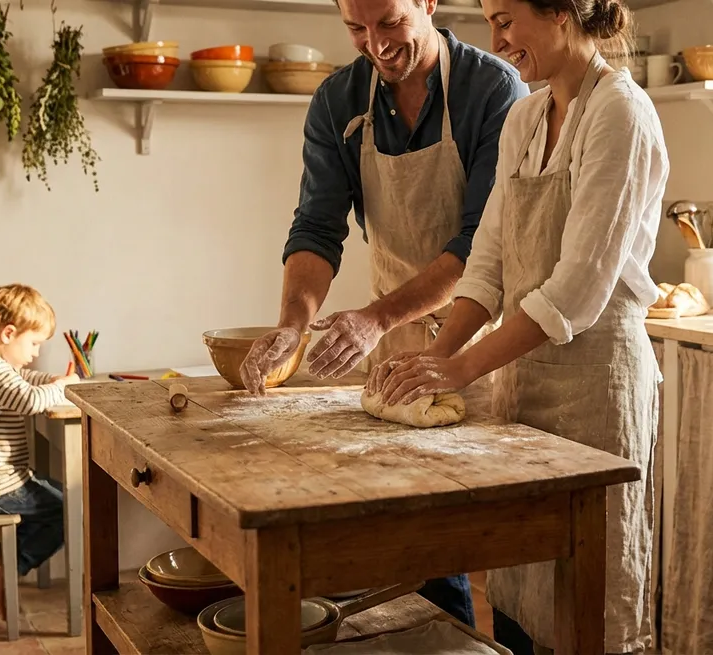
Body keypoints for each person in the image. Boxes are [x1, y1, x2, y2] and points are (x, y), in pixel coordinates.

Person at [369, 0, 668, 652]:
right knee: (519, 603)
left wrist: (464, 365)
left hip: (598, 394)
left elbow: (577, 291)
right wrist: (435, 364)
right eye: (488, 21)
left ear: (561, 11)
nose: (496, 40)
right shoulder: (525, 118)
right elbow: (488, 268)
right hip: (522, 394)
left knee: (590, 601)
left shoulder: (620, 113)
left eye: (506, 18)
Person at [239, 0, 529, 628]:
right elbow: (317, 228)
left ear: (427, 3)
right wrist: (292, 323)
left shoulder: (492, 88)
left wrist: (374, 317)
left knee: (502, 543)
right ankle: (430, 638)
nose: (374, 43)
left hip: (482, 333)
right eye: (355, 28)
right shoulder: (338, 100)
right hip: (394, 331)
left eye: (390, 22)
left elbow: (483, 245)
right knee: (413, 535)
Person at [0, 283, 79, 620]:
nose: (36, 352)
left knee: (68, 501)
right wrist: (60, 387)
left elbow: (22, 378)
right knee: (72, 510)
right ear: (9, 334)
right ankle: (9, 568)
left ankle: (9, 562)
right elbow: (28, 399)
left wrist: (50, 378)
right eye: (34, 343)